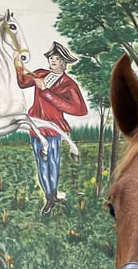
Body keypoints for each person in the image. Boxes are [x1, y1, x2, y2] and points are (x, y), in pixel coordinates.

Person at [14, 41, 88, 215]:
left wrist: (47, 91)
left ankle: (53, 196)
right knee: (41, 164)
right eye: (51, 57)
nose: (53, 60)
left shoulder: (69, 84)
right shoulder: (41, 73)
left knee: (52, 164)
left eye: (57, 58)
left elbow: (79, 109)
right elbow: (23, 82)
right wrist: (17, 64)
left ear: (64, 62)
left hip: (54, 128)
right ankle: (49, 197)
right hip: (36, 126)